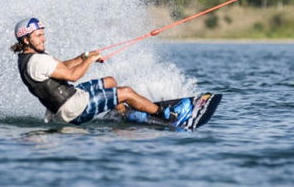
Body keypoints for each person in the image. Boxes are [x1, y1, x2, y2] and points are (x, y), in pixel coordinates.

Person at [10, 17, 182, 126]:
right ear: (26, 40)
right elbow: (73, 75)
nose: (43, 38)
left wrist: (83, 56)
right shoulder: (37, 61)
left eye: (42, 34)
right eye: (38, 35)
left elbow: (61, 67)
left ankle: (122, 115)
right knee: (126, 93)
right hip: (73, 109)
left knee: (110, 81)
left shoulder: (31, 58)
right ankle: (164, 115)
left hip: (70, 98)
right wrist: (91, 60)